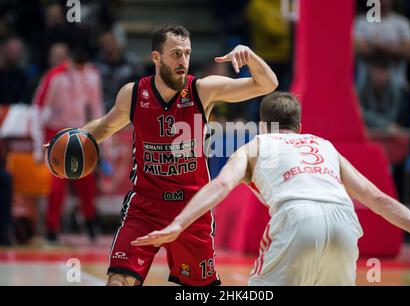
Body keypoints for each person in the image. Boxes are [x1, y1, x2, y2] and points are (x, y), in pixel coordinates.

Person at [134, 91, 410, 285]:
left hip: (296, 218)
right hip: (344, 224)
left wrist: (178, 222)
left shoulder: (255, 144)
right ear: (299, 126)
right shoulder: (324, 146)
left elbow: (219, 186)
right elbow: (378, 199)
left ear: (263, 124)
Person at [56, 24, 277, 286]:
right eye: (175, 54)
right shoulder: (134, 94)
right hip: (145, 206)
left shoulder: (202, 90)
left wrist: (250, 57)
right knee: (119, 281)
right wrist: (68, 140)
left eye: (187, 53)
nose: (183, 60)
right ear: (156, 57)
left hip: (192, 208)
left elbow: (267, 84)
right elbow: (103, 127)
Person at [33, 46, 104, 242]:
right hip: (55, 132)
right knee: (56, 185)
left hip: (79, 132)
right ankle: (52, 228)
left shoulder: (91, 75)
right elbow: (38, 110)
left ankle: (90, 221)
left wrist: (105, 140)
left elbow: (96, 107)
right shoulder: (54, 76)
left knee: (86, 181)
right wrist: (38, 146)